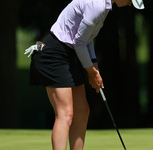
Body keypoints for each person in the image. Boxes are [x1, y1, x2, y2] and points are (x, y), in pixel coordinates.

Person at [25, 0, 132, 149]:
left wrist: (93, 64)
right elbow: (79, 43)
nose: (129, 3)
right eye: (130, 0)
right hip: (53, 55)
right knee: (65, 114)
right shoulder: (97, 6)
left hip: (68, 55)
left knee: (82, 111)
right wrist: (91, 73)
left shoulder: (105, 6)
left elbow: (86, 38)